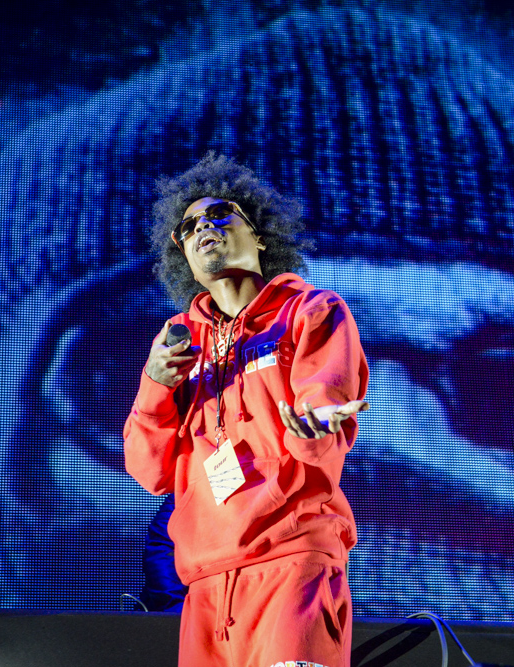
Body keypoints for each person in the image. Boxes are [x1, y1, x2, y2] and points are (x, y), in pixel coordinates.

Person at [123, 153, 369, 667]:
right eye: (187, 227)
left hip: (291, 564)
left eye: (219, 214)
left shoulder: (311, 312)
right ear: (182, 255)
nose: (201, 228)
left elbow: (322, 405)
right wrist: (155, 387)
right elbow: (150, 471)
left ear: (259, 237)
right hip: (205, 585)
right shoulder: (178, 341)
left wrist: (316, 425)